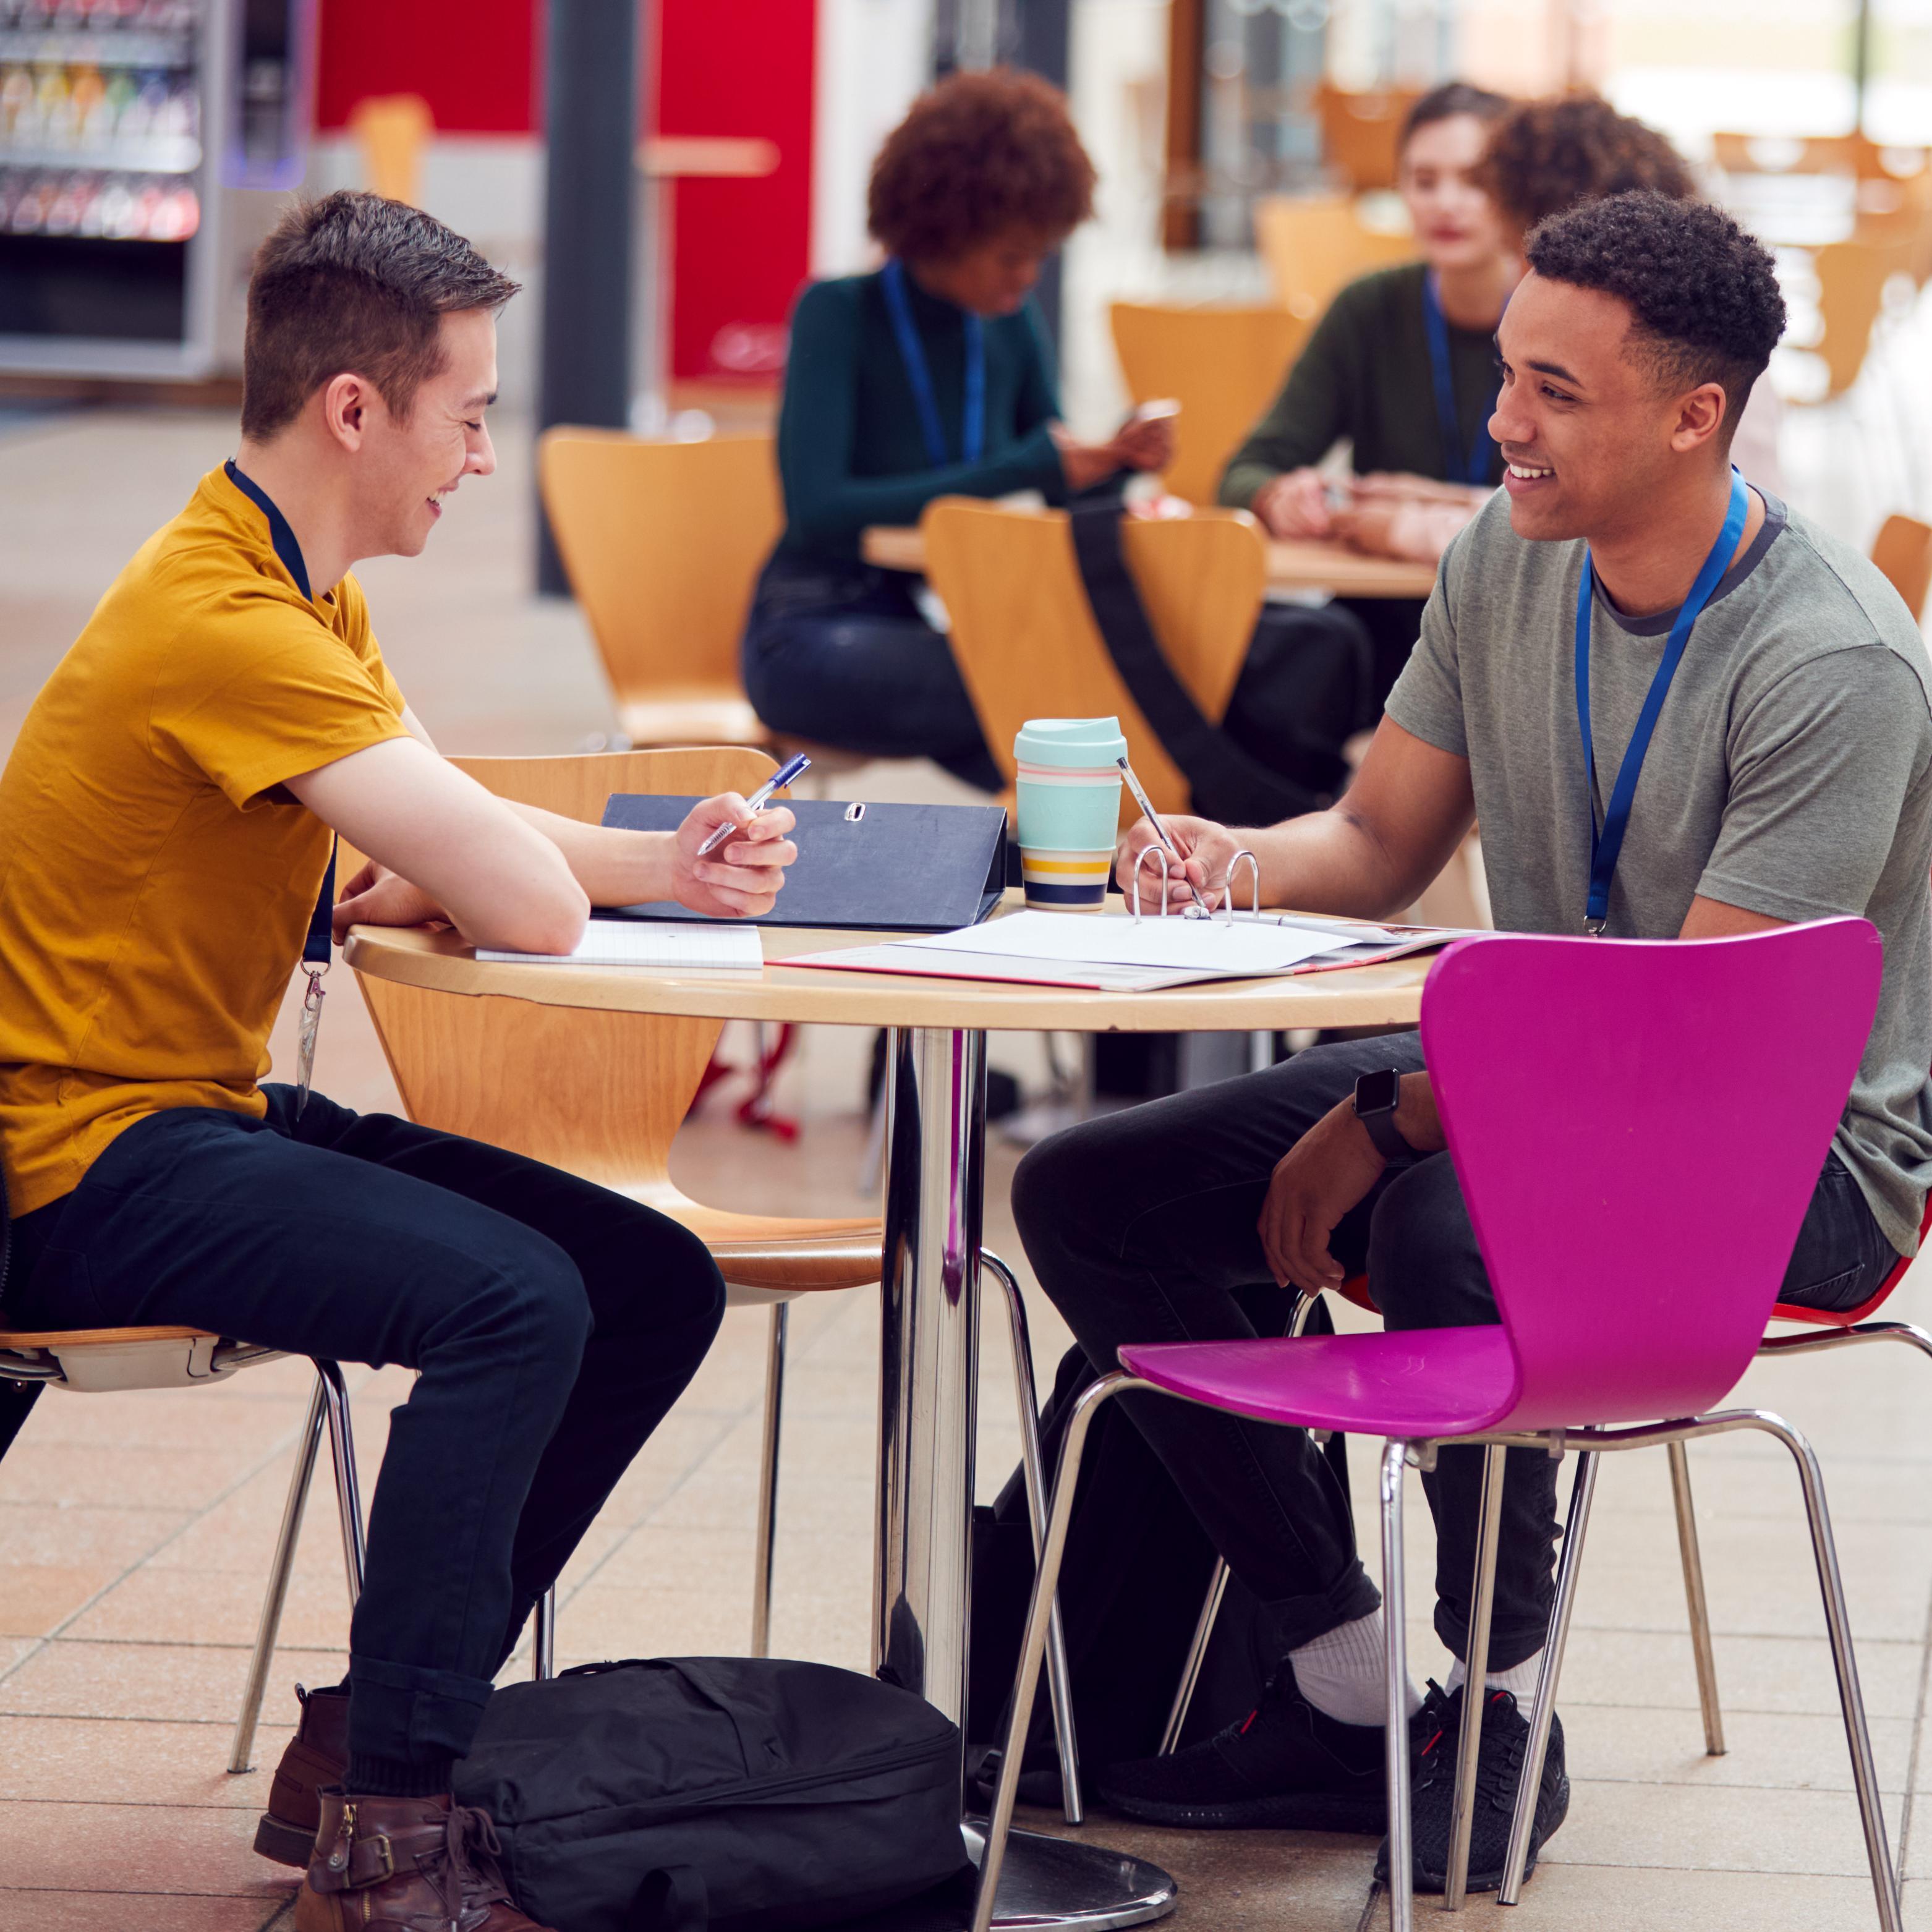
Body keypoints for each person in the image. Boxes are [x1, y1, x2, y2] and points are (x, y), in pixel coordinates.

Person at [1014, 189, 1932, 1892]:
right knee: (1088, 1193)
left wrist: (1390, 1112)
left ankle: (1499, 1713)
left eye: (1553, 393)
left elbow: (1690, 1045)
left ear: (1692, 415)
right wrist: (1222, 858)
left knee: (1456, 1220)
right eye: (1505, 374)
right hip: (1521, 1094)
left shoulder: (1831, 662)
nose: (1498, 422)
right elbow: (1367, 845)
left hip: (1789, 1155)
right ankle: (1344, 1666)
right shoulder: (1502, 565)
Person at [0, 192, 799, 1931]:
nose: (484, 458)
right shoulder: (229, 619)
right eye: (469, 414)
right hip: (79, 1157)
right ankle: (393, 1813)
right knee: (515, 1303)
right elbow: (506, 890)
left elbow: (448, 833)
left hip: (183, 1108)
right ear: (355, 411)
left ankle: (369, 1733)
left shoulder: (295, 587)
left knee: (642, 1277)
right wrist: (552, 871)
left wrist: (668, 864)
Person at [742, 68, 1171, 791]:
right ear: (941, 233)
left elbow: (1059, 490)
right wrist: (1024, 467)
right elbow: (816, 512)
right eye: (1010, 256)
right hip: (812, 626)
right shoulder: (837, 313)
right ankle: (1102, 853)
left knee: (1058, 677)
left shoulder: (1007, 326)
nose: (1027, 276)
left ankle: (1093, 853)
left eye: (1041, 254)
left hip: (936, 619)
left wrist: (1115, 462)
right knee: (1042, 685)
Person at [1219, 80, 1517, 700]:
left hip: (1516, 624)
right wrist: (1279, 496)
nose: (1446, 203)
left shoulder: (1557, 317)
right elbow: (1247, 468)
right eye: (1423, 179)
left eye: (1472, 179)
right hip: (1384, 630)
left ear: (1518, 188)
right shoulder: (1367, 308)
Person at [1478, 91, 1785, 495]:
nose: (1515, 278)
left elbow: (1591, 515)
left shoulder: (1688, 359)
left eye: (1519, 254)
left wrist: (1411, 524)